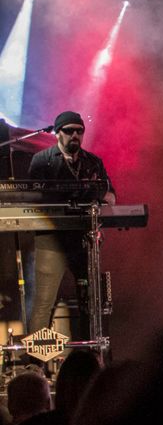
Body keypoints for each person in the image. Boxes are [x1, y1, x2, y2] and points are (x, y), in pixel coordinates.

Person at [27, 110, 115, 337]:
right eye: (69, 131)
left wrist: (99, 197)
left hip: (83, 239)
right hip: (51, 239)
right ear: (57, 133)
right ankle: (35, 356)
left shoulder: (93, 162)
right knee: (44, 302)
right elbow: (34, 199)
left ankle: (90, 352)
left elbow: (111, 195)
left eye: (79, 131)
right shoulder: (42, 160)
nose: (75, 135)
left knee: (91, 301)